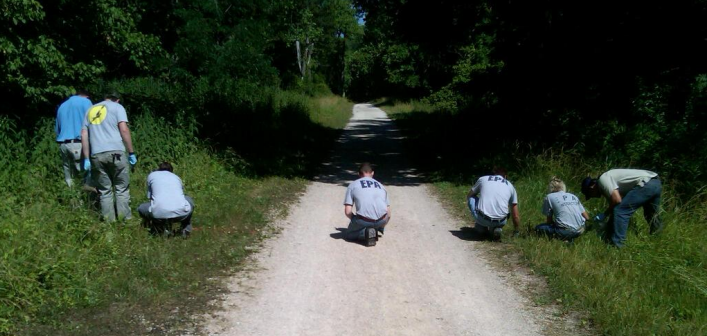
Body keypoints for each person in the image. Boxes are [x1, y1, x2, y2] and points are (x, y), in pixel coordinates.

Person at [81, 91, 137, 222]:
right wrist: (131, 152)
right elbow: (123, 129)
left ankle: (109, 222)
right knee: (121, 188)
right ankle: (125, 220)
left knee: (104, 191)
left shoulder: (91, 109)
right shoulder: (118, 107)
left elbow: (84, 133)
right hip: (116, 152)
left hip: (97, 154)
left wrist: (87, 158)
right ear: (117, 100)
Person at [581, 169, 663, 248]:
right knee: (651, 215)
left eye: (590, 195)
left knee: (621, 211)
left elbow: (617, 201)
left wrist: (604, 214)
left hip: (646, 183)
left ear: (591, 187)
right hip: (655, 182)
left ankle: (618, 245)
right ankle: (658, 240)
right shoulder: (608, 183)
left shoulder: (603, 180)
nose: (594, 197)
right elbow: (614, 208)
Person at [138, 162, 194, 237]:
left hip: (159, 215)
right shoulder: (176, 177)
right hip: (182, 214)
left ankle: (158, 227)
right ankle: (186, 229)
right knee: (188, 199)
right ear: (171, 171)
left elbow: (150, 197)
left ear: (159, 169)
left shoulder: (152, 175)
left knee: (141, 208)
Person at [343, 162, 391, 246]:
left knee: (349, 235)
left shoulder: (353, 185)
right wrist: (382, 226)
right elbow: (388, 213)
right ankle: (376, 230)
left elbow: (348, 211)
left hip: (364, 220)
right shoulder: (381, 186)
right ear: (372, 173)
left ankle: (365, 233)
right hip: (382, 220)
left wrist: (354, 219)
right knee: (378, 220)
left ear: (359, 174)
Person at [466, 167, 520, 240]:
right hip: (501, 221)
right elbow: (515, 215)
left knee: (471, 199)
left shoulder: (483, 179)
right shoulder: (510, 186)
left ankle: (482, 228)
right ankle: (496, 228)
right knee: (506, 207)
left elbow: (470, 195)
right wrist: (516, 231)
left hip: (483, 218)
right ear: (505, 176)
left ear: (494, 174)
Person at [55, 90, 92, 187]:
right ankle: (86, 199)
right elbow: (92, 124)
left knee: (69, 176)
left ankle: (73, 199)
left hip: (63, 144)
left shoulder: (62, 106)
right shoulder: (86, 103)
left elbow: (57, 130)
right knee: (83, 175)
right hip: (78, 143)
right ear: (87, 96)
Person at [535, 177, 589, 241]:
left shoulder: (549, 197)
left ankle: (563, 238)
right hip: (581, 229)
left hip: (565, 231)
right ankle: (569, 237)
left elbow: (549, 222)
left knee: (539, 228)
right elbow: (586, 217)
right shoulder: (573, 196)